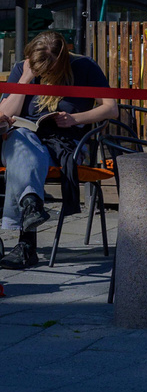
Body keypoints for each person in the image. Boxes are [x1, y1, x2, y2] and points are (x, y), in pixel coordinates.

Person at [0, 31, 118, 270]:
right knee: (22, 139)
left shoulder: (84, 67)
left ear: (62, 60)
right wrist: (24, 80)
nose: (43, 73)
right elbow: (4, 114)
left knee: (23, 157)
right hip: (24, 139)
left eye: (49, 68)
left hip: (64, 144)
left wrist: (75, 118)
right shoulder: (24, 68)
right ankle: (31, 206)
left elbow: (111, 109)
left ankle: (27, 237)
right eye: (39, 67)